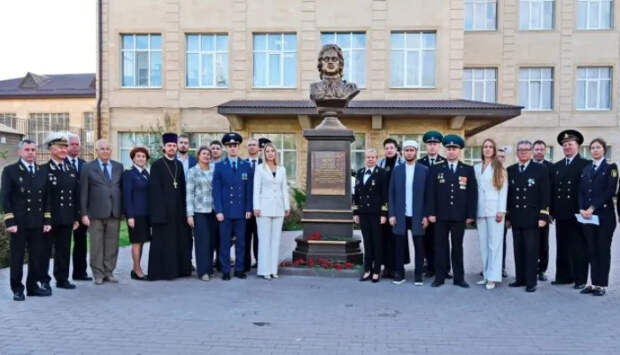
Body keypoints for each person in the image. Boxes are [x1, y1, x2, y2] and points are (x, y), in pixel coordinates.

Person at [1, 139, 51, 301]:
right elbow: (5, 198)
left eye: (33, 150)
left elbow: (46, 198)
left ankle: (32, 286)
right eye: (27, 150)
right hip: (19, 222)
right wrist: (10, 221)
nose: (31, 153)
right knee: (17, 257)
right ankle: (17, 288)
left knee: (36, 256)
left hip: (37, 221)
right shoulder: (10, 171)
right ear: (20, 152)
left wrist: (47, 220)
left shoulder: (41, 171)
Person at [427, 134, 477, 288]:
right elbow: (430, 193)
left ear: (459, 150)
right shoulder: (436, 168)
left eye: (454, 148)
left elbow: (472, 194)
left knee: (457, 248)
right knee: (440, 247)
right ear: (445, 150)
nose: (451, 151)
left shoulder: (467, 169)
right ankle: (439, 277)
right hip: (440, 216)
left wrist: (470, 215)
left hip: (459, 216)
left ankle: (459, 278)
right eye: (448, 148)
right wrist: (431, 213)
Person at [506, 140, 550, 293]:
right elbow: (508, 196)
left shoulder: (540, 169)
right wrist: (508, 217)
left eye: (526, 150)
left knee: (531, 250)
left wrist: (543, 216)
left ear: (531, 152)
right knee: (518, 249)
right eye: (520, 150)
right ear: (517, 153)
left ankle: (531, 281)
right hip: (517, 217)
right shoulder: (510, 170)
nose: (523, 152)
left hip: (533, 218)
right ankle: (520, 279)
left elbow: (545, 194)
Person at [148, 133, 193, 280]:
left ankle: (179, 270)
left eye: (174, 146)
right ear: (164, 147)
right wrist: (160, 214)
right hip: (163, 213)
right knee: (164, 243)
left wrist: (185, 211)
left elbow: (182, 189)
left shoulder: (178, 165)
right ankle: (163, 272)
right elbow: (154, 192)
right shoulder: (156, 165)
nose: (172, 148)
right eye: (170, 146)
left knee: (178, 242)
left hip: (178, 212)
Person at [578, 138, 618, 296]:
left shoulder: (610, 168)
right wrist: (582, 208)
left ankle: (602, 285)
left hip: (604, 216)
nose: (595, 150)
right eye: (592, 148)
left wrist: (592, 207)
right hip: (587, 217)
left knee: (602, 249)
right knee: (591, 249)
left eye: (598, 147)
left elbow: (609, 190)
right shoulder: (587, 169)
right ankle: (593, 283)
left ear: (604, 150)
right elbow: (581, 191)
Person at [80, 139, 123, 285]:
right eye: (102, 149)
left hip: (114, 212)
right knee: (96, 245)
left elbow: (120, 189)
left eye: (108, 148)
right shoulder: (87, 167)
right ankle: (98, 273)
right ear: (96, 151)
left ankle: (109, 272)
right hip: (95, 213)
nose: (105, 151)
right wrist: (84, 213)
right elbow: (83, 192)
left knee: (112, 244)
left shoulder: (118, 167)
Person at [40, 133, 80, 291]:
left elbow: (75, 194)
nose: (64, 149)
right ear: (51, 149)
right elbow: (42, 197)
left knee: (63, 250)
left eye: (65, 146)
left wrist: (76, 216)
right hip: (49, 218)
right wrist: (45, 218)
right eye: (60, 146)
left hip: (67, 217)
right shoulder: (43, 170)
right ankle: (44, 280)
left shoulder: (70, 169)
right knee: (45, 251)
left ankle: (62, 278)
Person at [551, 130, 590, 289]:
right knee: (562, 245)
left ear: (578, 146)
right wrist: (551, 211)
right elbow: (553, 190)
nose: (567, 147)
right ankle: (563, 276)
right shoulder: (557, 166)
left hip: (577, 212)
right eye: (565, 145)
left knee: (579, 246)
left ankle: (580, 279)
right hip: (561, 213)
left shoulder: (585, 164)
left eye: (570, 144)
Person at [213, 132, 253, 280]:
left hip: (242, 210)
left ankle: (239, 269)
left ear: (238, 147)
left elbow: (249, 189)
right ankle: (225, 270)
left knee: (241, 242)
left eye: (235, 145)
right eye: (229, 146)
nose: (232, 148)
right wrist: (218, 210)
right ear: (226, 148)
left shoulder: (246, 166)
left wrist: (249, 208)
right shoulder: (219, 166)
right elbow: (216, 190)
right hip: (225, 211)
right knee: (224, 242)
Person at [388, 141, 429, 285]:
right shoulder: (397, 170)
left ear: (416, 152)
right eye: (407, 150)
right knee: (399, 247)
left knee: (419, 247)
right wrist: (391, 214)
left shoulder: (424, 170)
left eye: (412, 150)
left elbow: (428, 195)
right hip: (400, 215)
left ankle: (418, 275)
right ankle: (400, 274)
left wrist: (425, 215)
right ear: (403, 152)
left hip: (417, 215)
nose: (409, 152)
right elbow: (391, 193)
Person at [474, 138, 507, 290]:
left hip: (495, 210)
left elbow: (503, 190)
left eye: (490, 147)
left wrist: (501, 210)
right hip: (480, 210)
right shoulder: (476, 167)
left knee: (495, 245)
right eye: (485, 147)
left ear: (494, 150)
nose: (487, 149)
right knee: (483, 245)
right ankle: (486, 274)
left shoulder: (499, 167)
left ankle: (493, 277)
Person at [253, 142, 290, 279]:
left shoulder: (282, 169)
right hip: (263, 208)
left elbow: (284, 189)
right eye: (267, 151)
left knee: (276, 240)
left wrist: (287, 206)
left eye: (272, 151)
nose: (270, 153)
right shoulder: (259, 168)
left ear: (275, 153)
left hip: (279, 208)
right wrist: (256, 206)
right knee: (264, 240)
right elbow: (256, 189)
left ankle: (273, 270)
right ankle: (264, 270)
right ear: (264, 153)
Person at [353, 148, 388, 283]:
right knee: (367, 242)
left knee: (377, 243)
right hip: (363, 214)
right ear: (365, 158)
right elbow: (356, 194)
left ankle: (377, 270)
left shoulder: (382, 173)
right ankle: (367, 269)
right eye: (368, 157)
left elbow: (385, 194)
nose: (370, 159)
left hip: (376, 214)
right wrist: (356, 212)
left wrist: (384, 213)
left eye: (373, 157)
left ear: (377, 158)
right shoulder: (360, 172)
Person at [418, 130, 447, 278]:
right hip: (425, 208)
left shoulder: (445, 162)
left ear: (439, 146)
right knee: (427, 240)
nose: (432, 147)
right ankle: (429, 267)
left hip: (442, 209)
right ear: (426, 146)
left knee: (442, 241)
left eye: (435, 144)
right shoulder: (419, 163)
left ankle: (444, 269)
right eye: (429, 144)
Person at [186, 145, 216, 281]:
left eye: (208, 154)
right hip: (199, 211)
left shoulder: (214, 170)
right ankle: (202, 271)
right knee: (202, 242)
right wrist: (189, 214)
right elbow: (189, 194)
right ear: (198, 156)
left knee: (211, 242)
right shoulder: (192, 172)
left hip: (213, 211)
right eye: (204, 154)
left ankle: (209, 268)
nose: (207, 156)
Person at [122, 146, 151, 281]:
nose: (141, 158)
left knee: (142, 241)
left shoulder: (146, 173)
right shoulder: (129, 174)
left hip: (145, 214)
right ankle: (137, 270)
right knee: (136, 242)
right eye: (138, 156)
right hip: (135, 214)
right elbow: (127, 196)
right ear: (133, 158)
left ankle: (135, 268)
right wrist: (130, 216)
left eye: (143, 156)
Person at [377, 138, 404, 278]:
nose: (389, 150)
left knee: (396, 237)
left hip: (397, 204)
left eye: (391, 148)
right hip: (383, 205)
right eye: (386, 148)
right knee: (384, 237)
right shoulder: (380, 163)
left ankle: (396, 267)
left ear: (396, 149)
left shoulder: (402, 163)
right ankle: (386, 267)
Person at [65, 133, 91, 281]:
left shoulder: (84, 164)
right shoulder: (62, 163)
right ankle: (62, 276)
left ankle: (80, 272)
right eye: (72, 144)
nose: (75, 147)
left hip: (81, 211)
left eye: (77, 144)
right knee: (64, 244)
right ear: (66, 146)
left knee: (81, 242)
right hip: (66, 211)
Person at [532, 140, 554, 281]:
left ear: (545, 151)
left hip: (544, 212)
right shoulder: (528, 165)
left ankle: (542, 270)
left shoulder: (551, 167)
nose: (539, 151)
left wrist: (550, 213)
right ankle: (531, 268)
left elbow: (552, 191)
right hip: (529, 211)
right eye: (537, 149)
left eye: (542, 149)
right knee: (530, 242)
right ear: (533, 151)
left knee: (543, 243)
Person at [244, 138, 262, 272]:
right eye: (249, 145)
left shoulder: (265, 164)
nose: (251, 147)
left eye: (254, 145)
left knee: (259, 237)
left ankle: (260, 261)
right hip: (245, 208)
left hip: (261, 208)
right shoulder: (242, 164)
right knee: (244, 236)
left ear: (258, 147)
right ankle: (245, 263)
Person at [209, 139, 224, 271]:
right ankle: (210, 260)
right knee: (210, 235)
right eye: (212, 148)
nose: (215, 150)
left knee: (222, 235)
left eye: (217, 148)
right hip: (208, 206)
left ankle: (220, 260)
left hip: (221, 206)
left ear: (221, 151)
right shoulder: (205, 164)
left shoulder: (225, 164)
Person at [497, 147, 509, 278]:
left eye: (502, 157)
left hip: (503, 213)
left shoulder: (507, 172)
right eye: (498, 156)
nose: (500, 159)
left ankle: (502, 267)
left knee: (501, 241)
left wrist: (508, 215)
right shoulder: (490, 171)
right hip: (489, 213)